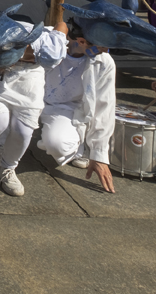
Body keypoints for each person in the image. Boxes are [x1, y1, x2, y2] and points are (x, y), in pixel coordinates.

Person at [0, 24, 66, 197]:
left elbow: (62, 27)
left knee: (23, 131)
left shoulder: (47, 46)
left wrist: (61, 18)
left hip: (29, 81)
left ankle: (8, 167)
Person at [37, 20, 116, 193]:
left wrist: (99, 154)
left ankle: (77, 142)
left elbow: (105, 107)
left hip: (65, 109)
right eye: (102, 47)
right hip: (31, 98)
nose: (105, 51)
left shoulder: (104, 62)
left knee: (58, 144)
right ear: (81, 42)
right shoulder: (45, 37)